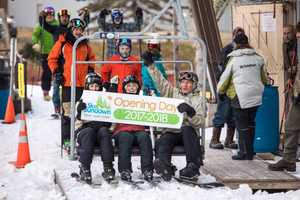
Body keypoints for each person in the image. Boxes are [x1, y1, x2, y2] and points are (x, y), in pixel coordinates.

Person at [142, 52, 206, 181]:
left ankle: (192, 166)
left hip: (187, 132)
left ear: (194, 85)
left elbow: (200, 122)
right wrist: (151, 66)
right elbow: (161, 82)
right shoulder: (173, 93)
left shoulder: (198, 99)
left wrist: (190, 113)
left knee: (188, 130)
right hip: (172, 130)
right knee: (165, 139)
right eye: (183, 82)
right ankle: (165, 165)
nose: (185, 85)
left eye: (189, 83)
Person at [217, 33, 268, 160]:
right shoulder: (258, 58)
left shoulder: (234, 60)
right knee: (251, 123)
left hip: (239, 95)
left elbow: (224, 79)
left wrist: (220, 91)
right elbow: (264, 79)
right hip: (256, 95)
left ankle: (244, 153)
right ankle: (250, 152)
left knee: (241, 125)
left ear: (235, 44)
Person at [48, 18, 96, 150]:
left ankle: (81, 138)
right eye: (75, 29)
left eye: (80, 30)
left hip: (82, 85)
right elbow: (52, 59)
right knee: (68, 113)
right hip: (68, 83)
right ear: (71, 30)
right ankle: (67, 140)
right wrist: (56, 72)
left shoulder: (85, 44)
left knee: (82, 113)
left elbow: (91, 58)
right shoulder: (63, 43)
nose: (78, 32)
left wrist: (91, 70)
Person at [268, 23, 300, 172]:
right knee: (291, 125)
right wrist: (291, 78)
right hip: (297, 92)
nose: (297, 37)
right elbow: (290, 66)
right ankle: (289, 160)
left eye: (292, 33)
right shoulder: (287, 46)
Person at [75, 72, 115, 184]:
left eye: (97, 86)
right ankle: (85, 167)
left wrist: (107, 122)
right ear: (87, 87)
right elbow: (76, 123)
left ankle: (108, 167)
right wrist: (80, 113)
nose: (94, 88)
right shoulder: (82, 100)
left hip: (100, 132)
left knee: (104, 131)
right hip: (85, 131)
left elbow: (112, 121)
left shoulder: (104, 100)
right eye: (92, 86)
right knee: (88, 132)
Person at [113, 75, 154, 181]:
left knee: (145, 137)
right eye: (129, 86)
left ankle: (147, 169)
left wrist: (151, 101)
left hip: (139, 130)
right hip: (122, 130)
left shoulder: (142, 101)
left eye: (134, 86)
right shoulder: (118, 100)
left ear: (138, 88)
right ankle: (125, 169)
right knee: (125, 138)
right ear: (124, 88)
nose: (131, 88)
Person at [210, 27, 245, 150]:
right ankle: (214, 140)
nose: (239, 37)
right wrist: (222, 88)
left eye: (242, 34)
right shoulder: (227, 50)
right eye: (237, 34)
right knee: (222, 113)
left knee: (233, 115)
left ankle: (229, 140)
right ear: (233, 36)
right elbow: (222, 71)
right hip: (225, 87)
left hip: (237, 88)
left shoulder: (244, 52)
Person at [39, 8, 71, 117]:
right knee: (56, 88)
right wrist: (42, 16)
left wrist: (86, 16)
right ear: (60, 18)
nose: (65, 19)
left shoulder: (71, 30)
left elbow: (83, 26)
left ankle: (67, 108)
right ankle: (57, 108)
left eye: (66, 17)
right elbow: (43, 24)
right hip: (57, 62)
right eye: (63, 17)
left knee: (68, 88)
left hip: (68, 63)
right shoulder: (55, 29)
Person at [32, 6, 59, 101]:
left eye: (51, 14)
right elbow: (35, 35)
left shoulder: (57, 24)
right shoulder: (40, 25)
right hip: (45, 52)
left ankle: (58, 92)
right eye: (48, 15)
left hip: (57, 52)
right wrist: (35, 43)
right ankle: (46, 91)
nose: (50, 16)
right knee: (47, 72)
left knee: (57, 72)